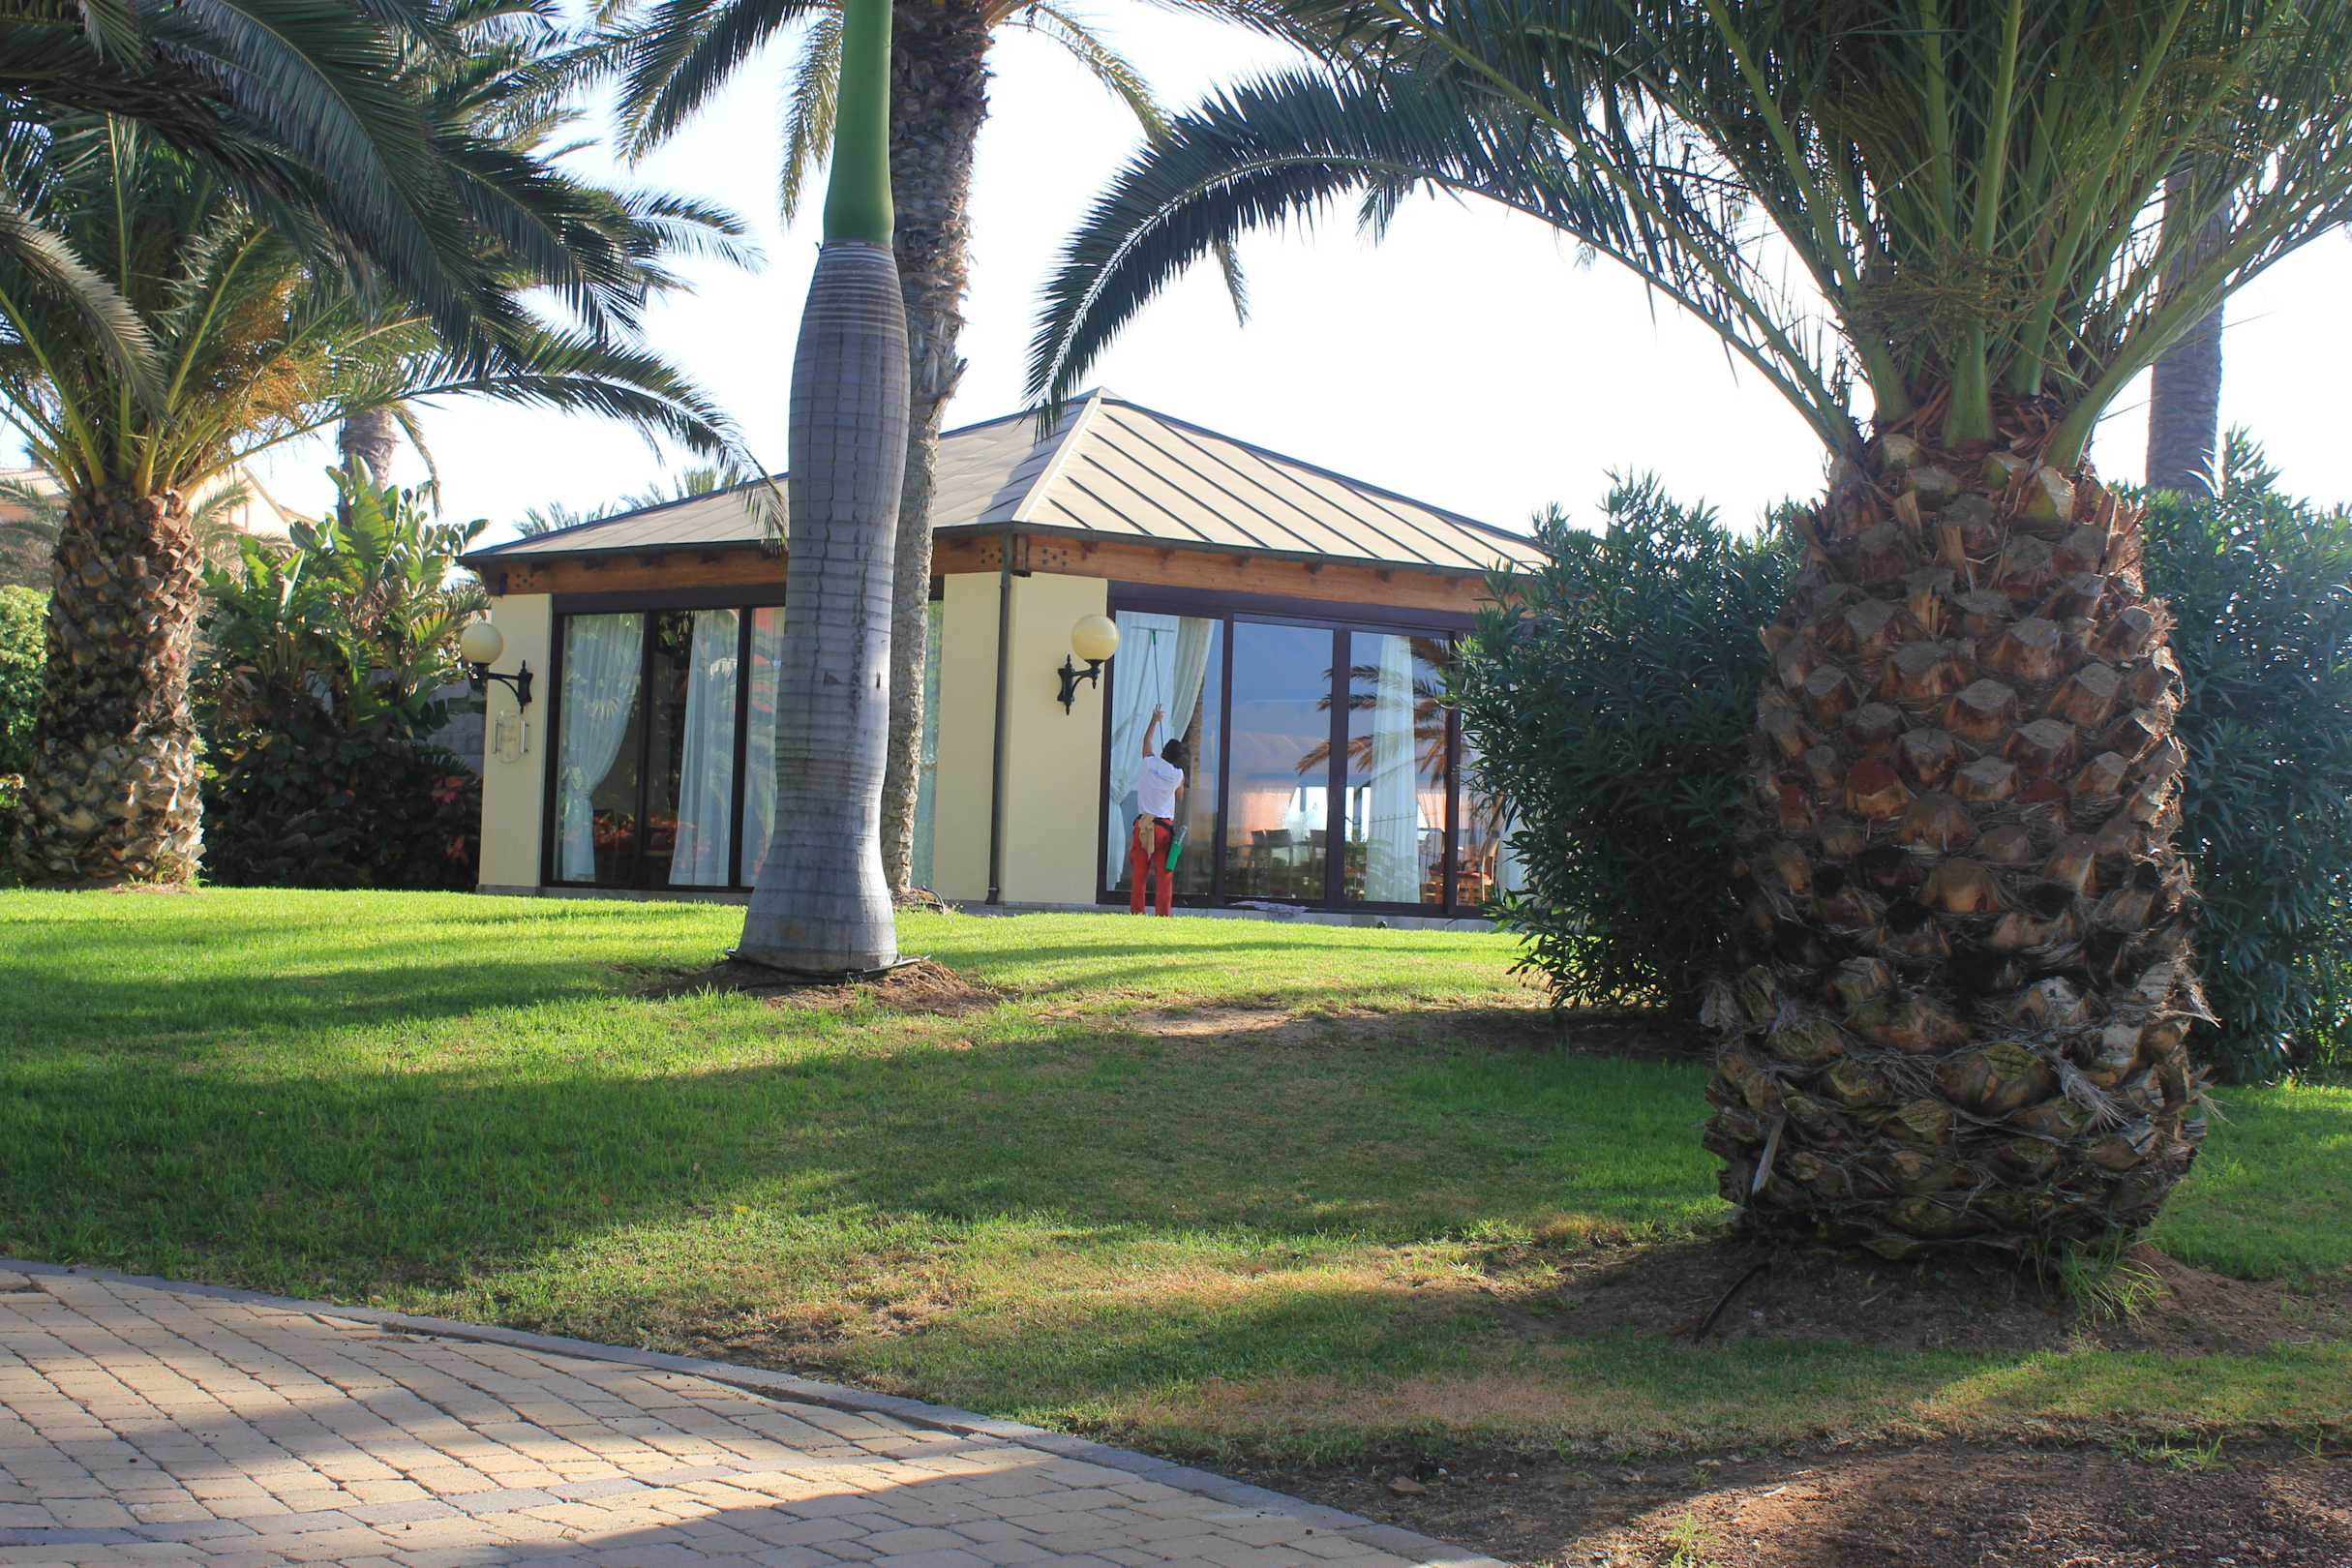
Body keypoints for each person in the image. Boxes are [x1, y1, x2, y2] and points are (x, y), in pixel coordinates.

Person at [1130, 703, 1187, 917]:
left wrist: (1155, 720)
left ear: (1163, 752)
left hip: (1143, 825)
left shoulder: (1148, 763)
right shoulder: (1177, 775)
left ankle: (1137, 912)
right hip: (1163, 828)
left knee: (1140, 873)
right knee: (1164, 875)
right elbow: (1180, 797)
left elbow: (1146, 742)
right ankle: (1163, 915)